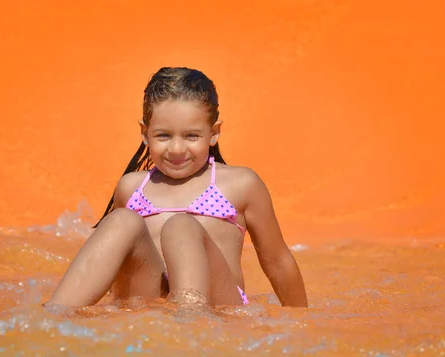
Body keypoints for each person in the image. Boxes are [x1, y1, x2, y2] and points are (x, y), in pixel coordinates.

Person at [46, 67, 308, 308]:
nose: (176, 149)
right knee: (120, 221)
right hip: (150, 307)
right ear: (144, 132)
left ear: (213, 133)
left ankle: (189, 322)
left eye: (191, 136)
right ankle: (54, 317)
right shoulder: (132, 187)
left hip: (218, 310)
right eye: (163, 135)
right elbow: (114, 265)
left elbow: (278, 263)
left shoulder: (240, 184)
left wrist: (300, 324)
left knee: (180, 226)